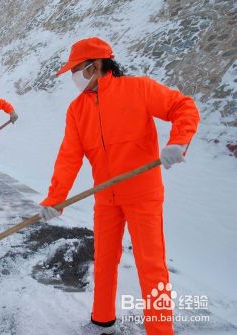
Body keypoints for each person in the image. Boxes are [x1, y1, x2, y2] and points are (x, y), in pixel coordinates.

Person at [39, 37, 200, 335]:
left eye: (77, 69)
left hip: (143, 194)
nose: (73, 76)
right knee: (103, 261)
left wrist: (178, 142)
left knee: (151, 267)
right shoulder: (77, 110)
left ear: (96, 65)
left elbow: (183, 106)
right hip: (105, 197)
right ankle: (101, 320)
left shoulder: (138, 89)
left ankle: (160, 330)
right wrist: (54, 199)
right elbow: (68, 158)